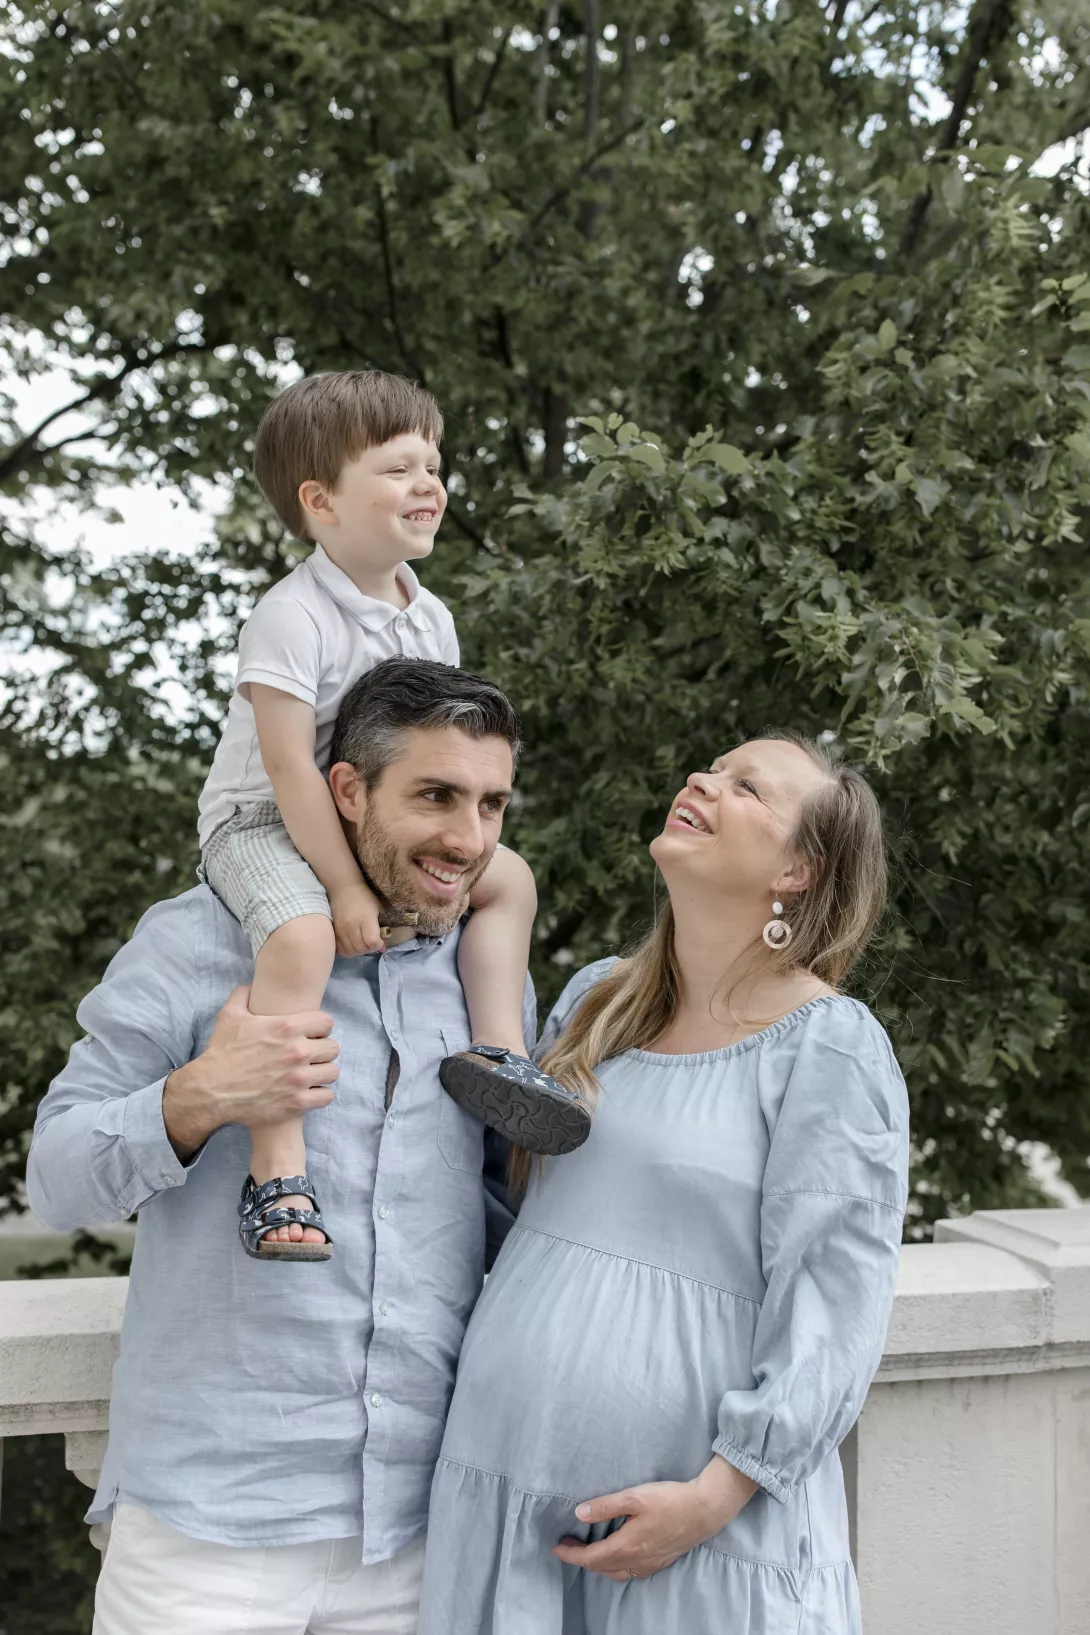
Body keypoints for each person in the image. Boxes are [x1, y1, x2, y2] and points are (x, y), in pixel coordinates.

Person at [26, 659, 541, 1635]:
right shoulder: (195, 943)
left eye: (490, 804)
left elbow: (504, 1207)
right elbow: (54, 1176)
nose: (467, 838)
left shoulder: (478, 976)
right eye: (435, 795)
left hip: (416, 1534)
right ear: (345, 791)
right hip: (205, 1537)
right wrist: (200, 1097)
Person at [418, 733, 910, 1635]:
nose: (703, 782)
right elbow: (506, 1210)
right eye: (711, 769)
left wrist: (714, 1499)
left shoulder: (827, 1046)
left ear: (799, 868)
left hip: (695, 1538)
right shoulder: (595, 1001)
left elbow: (835, 1307)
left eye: (747, 787)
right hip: (507, 1498)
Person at [197, 370, 588, 1261]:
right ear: (321, 501)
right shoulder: (290, 617)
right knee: (299, 940)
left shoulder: (430, 617)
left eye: (434, 466)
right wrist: (339, 882)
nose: (430, 485)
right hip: (261, 822)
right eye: (400, 468)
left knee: (511, 880)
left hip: (370, 818)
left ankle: (496, 1053)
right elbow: (292, 765)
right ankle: (277, 1161)